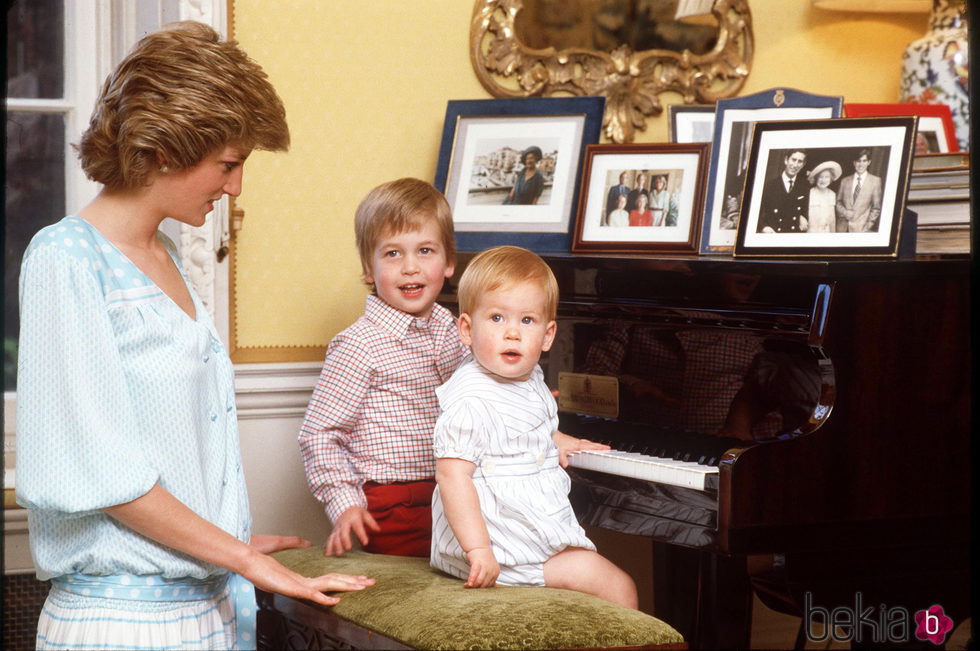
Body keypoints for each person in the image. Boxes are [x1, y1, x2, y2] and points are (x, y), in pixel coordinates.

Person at [15, 22, 374, 651]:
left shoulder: (167, 257)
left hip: (202, 611)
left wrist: (229, 543)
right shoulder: (66, 258)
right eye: (229, 164)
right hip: (126, 627)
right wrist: (242, 557)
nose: (236, 186)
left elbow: (171, 446)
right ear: (163, 149)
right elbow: (102, 475)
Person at [429, 246, 637, 609]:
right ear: (466, 328)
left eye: (527, 321)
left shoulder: (529, 378)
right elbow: (452, 478)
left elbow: (530, 427)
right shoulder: (471, 401)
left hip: (522, 533)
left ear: (547, 335)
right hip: (498, 546)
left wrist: (560, 440)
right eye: (496, 318)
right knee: (619, 588)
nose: (512, 333)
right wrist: (479, 550)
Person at [298, 178, 465, 559]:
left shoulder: (458, 333)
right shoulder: (358, 344)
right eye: (392, 254)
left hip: (460, 491)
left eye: (425, 250)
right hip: (394, 502)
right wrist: (346, 503)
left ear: (449, 261)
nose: (410, 268)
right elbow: (319, 435)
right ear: (368, 269)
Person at [756, 149, 808, 233]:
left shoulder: (804, 186)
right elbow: (756, 212)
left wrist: (803, 216)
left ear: (803, 165)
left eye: (800, 161)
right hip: (773, 234)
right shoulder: (769, 185)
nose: (795, 165)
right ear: (786, 160)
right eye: (793, 160)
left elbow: (806, 209)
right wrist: (763, 227)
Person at [835, 149, 882, 233]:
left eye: (864, 161)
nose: (861, 164)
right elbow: (838, 202)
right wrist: (845, 213)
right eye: (858, 161)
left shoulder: (875, 181)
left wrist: (866, 228)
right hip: (841, 229)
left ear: (869, 162)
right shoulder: (845, 181)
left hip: (861, 229)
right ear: (854, 163)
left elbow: (876, 208)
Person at [803, 161, 841, 233]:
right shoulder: (809, 193)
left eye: (826, 177)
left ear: (831, 179)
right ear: (816, 178)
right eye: (820, 177)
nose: (823, 180)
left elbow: (832, 219)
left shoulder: (832, 194)